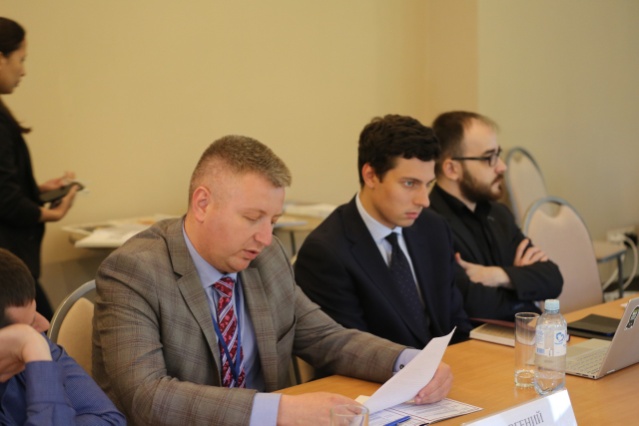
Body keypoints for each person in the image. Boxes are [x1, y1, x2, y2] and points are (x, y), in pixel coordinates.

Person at [92, 135, 453, 426]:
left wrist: (410, 363)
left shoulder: (266, 258)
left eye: (274, 221)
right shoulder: (134, 271)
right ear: (202, 204)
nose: (266, 238)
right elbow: (147, 396)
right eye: (253, 218)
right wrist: (280, 411)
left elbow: (324, 336)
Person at [294, 114, 472, 348]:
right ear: (371, 175)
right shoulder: (326, 252)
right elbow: (350, 353)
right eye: (410, 183)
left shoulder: (434, 228)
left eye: (428, 184)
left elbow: (456, 323)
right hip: (381, 371)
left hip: (447, 365)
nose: (424, 200)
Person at [429, 111, 563, 320]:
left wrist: (498, 275)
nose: (502, 166)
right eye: (488, 158)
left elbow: (552, 279)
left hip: (524, 333)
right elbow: (473, 305)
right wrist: (520, 284)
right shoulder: (429, 224)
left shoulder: (499, 214)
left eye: (498, 154)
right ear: (452, 169)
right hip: (479, 339)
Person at [0, 17, 81, 320]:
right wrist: (52, 214)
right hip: (8, 264)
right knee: (45, 327)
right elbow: (6, 200)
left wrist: (36, 190)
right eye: (20, 59)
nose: (23, 70)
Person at [0, 248, 125, 425]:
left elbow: (109, 420)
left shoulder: (36, 340)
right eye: (27, 327)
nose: (45, 324)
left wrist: (33, 345)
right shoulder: (33, 342)